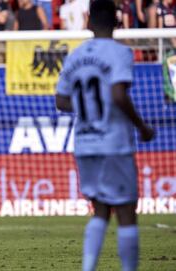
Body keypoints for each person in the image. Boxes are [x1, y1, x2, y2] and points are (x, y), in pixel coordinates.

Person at [55, 1, 155, 271]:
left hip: (85, 142)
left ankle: (88, 268)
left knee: (99, 210)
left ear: (88, 21)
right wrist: (142, 127)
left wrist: (87, 104)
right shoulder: (121, 52)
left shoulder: (75, 56)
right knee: (125, 212)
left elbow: (61, 102)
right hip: (113, 142)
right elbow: (118, 94)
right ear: (118, 22)